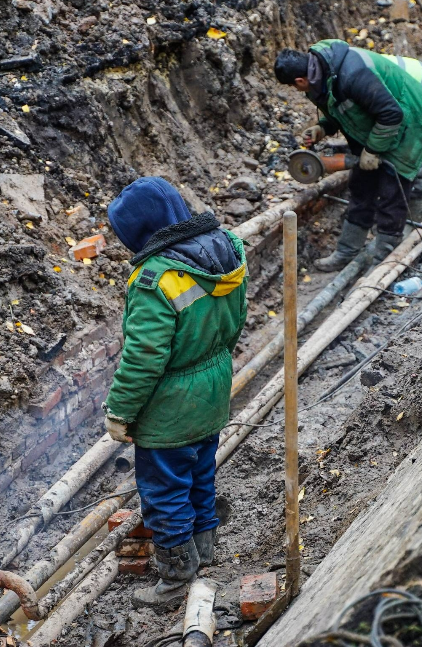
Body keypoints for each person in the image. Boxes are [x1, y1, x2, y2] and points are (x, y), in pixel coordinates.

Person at [102, 176, 248, 609]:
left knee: (164, 493)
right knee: (201, 473)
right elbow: (238, 318)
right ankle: (205, 552)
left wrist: (121, 411)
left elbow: (144, 357)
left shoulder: (155, 279)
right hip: (214, 389)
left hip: (171, 408)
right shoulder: (227, 249)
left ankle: (175, 579)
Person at [274, 42, 422, 271]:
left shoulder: (352, 74)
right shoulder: (318, 76)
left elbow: (390, 114)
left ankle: (384, 262)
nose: (297, 90)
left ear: (299, 81)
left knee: (393, 185)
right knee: (361, 183)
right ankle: (347, 250)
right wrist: (323, 128)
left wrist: (373, 150)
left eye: (293, 87)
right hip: (389, 107)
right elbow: (346, 109)